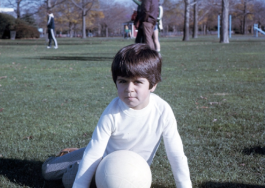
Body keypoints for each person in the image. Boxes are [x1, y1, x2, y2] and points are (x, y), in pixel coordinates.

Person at [42, 43, 192, 188]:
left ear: (153, 85)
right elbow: (94, 153)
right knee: (49, 172)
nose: (129, 89)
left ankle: (78, 158)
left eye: (138, 82)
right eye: (123, 81)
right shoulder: (113, 111)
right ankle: (72, 156)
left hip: (132, 169)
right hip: (102, 158)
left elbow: (176, 155)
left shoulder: (162, 111)